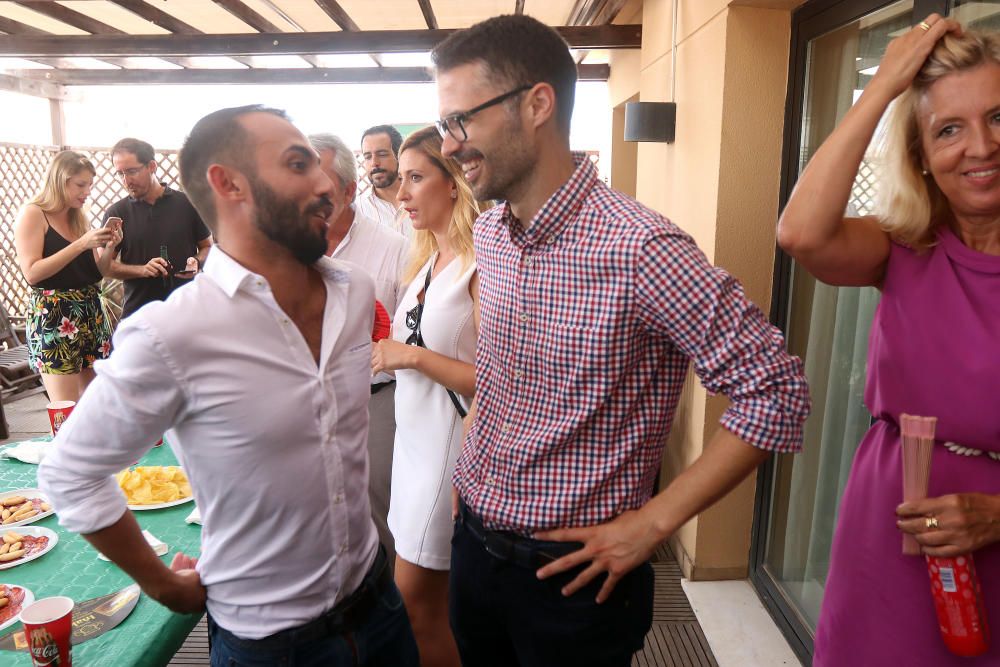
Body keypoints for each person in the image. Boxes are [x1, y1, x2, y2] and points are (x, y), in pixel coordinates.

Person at [431, 14, 811, 667]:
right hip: (474, 547)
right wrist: (471, 476)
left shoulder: (640, 249)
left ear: (536, 105)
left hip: (575, 579)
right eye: (443, 126)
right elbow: (501, 375)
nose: (449, 144)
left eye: (460, 121)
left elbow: (775, 388)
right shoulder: (492, 234)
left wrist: (657, 521)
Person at [37, 105, 419, 667]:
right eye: (298, 164)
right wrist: (163, 584)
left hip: (381, 606)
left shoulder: (354, 290)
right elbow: (69, 474)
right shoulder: (173, 333)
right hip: (271, 646)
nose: (326, 184)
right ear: (227, 184)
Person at [777, 18, 1000, 666]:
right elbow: (801, 233)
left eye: (997, 116)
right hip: (889, 531)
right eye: (948, 129)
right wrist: (883, 88)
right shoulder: (906, 245)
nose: (981, 146)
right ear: (922, 157)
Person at [370, 126, 479, 667]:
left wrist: (408, 356)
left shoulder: (480, 267)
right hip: (411, 445)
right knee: (429, 606)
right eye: (402, 179)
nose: (403, 192)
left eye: (417, 178)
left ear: (455, 183)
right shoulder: (427, 259)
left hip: (446, 450)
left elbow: (500, 379)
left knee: (417, 607)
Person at [311, 132, 409, 566]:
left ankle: (386, 620)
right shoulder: (286, 251)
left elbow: (411, 338)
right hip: (304, 407)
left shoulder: (395, 250)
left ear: (351, 191)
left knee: (378, 517)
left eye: (321, 189)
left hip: (375, 405)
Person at [13, 150, 120, 402]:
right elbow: (32, 273)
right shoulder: (33, 213)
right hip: (55, 316)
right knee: (66, 410)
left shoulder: (77, 216)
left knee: (96, 404)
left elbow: (99, 272)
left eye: (90, 185)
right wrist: (81, 244)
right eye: (80, 184)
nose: (87, 192)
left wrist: (111, 247)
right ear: (60, 180)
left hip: (90, 313)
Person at [102, 137, 213, 319]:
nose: (126, 180)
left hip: (187, 311)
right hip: (138, 315)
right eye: (120, 173)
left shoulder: (187, 203)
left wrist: (197, 262)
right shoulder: (116, 213)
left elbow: (207, 246)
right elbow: (105, 267)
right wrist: (142, 270)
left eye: (131, 171)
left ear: (152, 166)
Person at [356, 124, 412, 237]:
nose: (374, 163)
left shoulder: (423, 199)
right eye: (367, 157)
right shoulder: (357, 210)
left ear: (399, 155)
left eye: (382, 154)